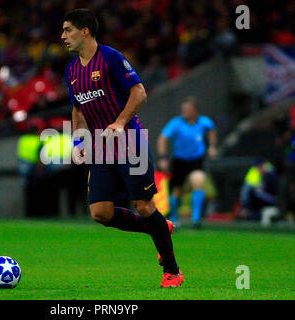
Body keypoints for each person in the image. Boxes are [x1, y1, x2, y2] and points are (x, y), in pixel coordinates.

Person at [62, 9, 183, 288]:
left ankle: (173, 272)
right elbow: (78, 109)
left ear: (85, 31)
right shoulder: (71, 71)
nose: (63, 36)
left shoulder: (111, 58)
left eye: (68, 30)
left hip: (131, 142)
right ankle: (159, 228)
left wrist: (119, 122)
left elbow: (139, 91)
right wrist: (79, 141)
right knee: (100, 212)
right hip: (101, 150)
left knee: (144, 205)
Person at [157, 96, 218, 228]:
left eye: (187, 109)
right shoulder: (176, 123)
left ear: (195, 111)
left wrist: (212, 146)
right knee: (176, 190)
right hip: (179, 160)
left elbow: (212, 130)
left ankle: (196, 219)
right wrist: (163, 157)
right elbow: (163, 138)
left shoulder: (204, 122)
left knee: (198, 180)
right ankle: (174, 218)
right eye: (183, 109)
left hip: (196, 160)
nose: (184, 112)